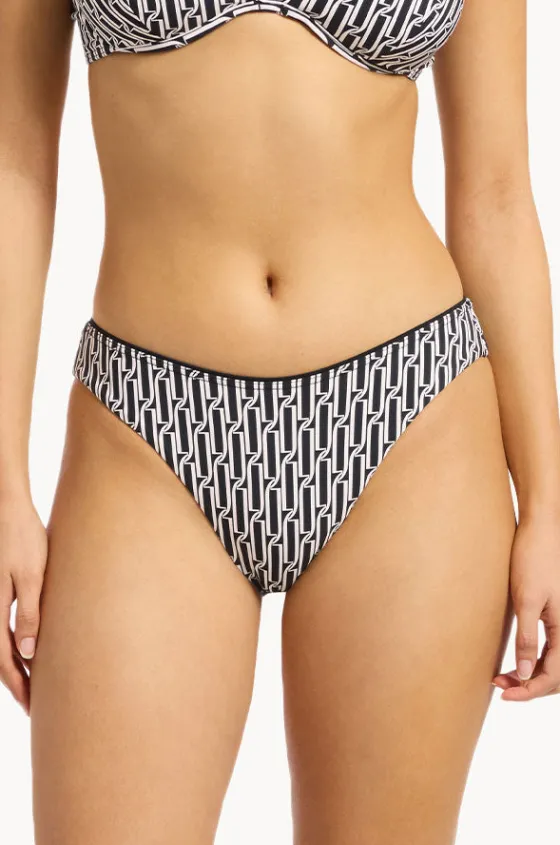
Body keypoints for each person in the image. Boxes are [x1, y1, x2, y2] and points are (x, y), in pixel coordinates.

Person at [1, 0, 559, 842]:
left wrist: (549, 499)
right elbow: (12, 169)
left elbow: (499, 194)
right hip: (147, 430)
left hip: (411, 418)